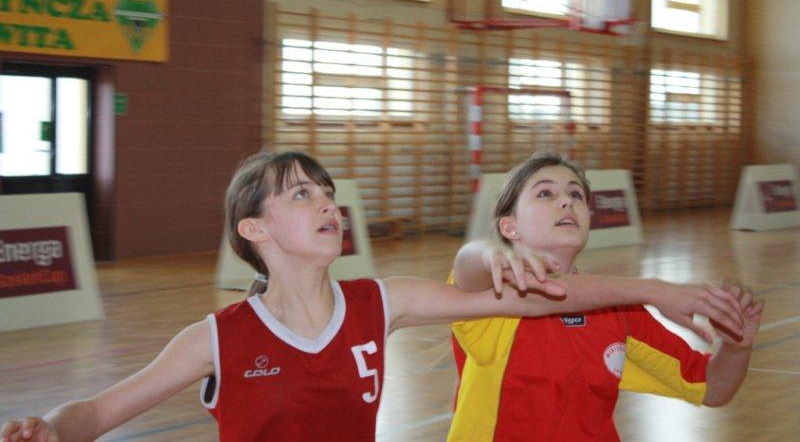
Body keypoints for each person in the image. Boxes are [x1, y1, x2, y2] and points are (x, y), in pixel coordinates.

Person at [1, 151, 747, 442]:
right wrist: (48, 429)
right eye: (302, 194)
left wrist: (660, 294)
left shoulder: (377, 304)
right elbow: (95, 413)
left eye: (328, 191)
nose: (327, 201)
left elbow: (529, 298)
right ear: (254, 228)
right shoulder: (219, 336)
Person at [447, 151, 764, 441]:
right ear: (509, 227)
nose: (566, 202)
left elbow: (712, 388)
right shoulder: (495, 294)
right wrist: (488, 252)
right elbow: (467, 265)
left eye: (575, 195)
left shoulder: (616, 310)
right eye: (545, 193)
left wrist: (736, 346)